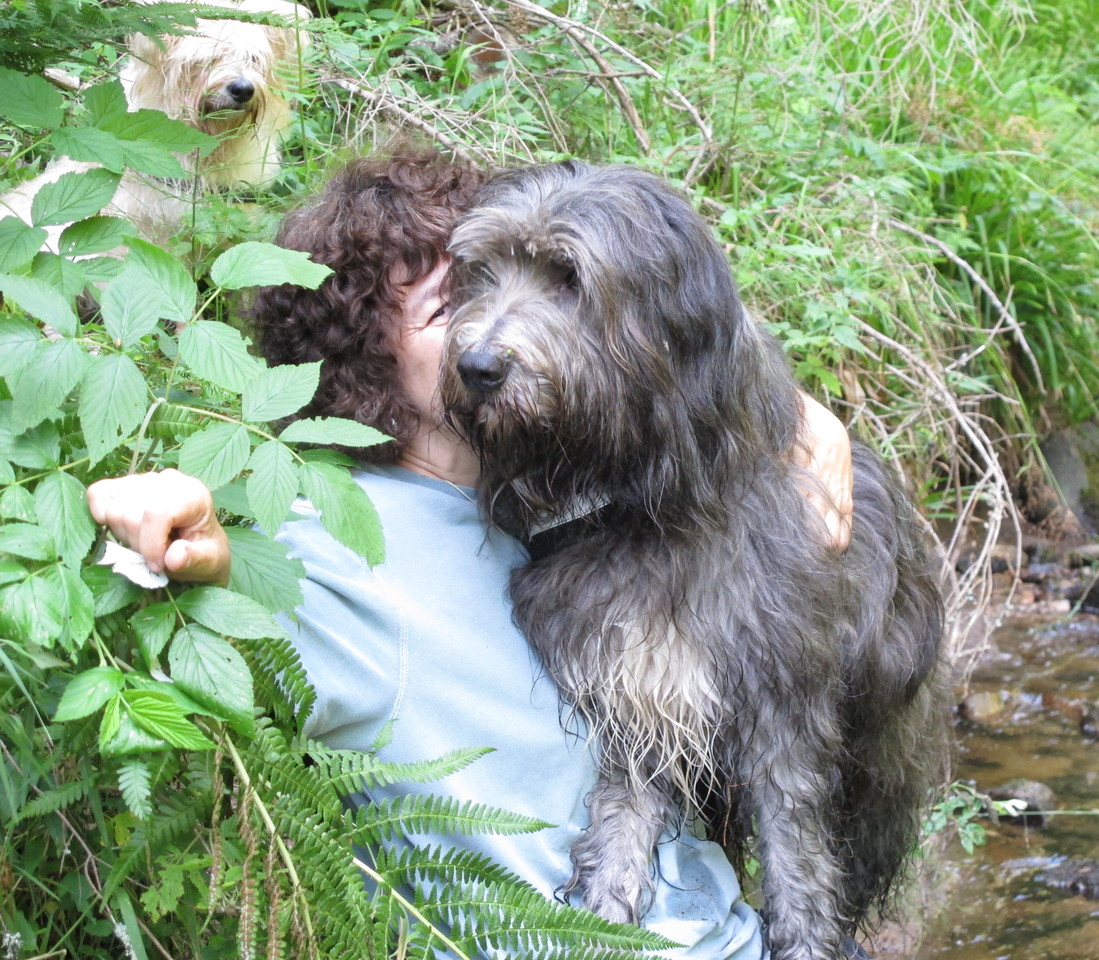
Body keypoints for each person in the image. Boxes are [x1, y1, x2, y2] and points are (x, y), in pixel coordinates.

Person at [87, 148, 855, 957]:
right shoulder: (347, 542)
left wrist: (805, 420)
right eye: (458, 299)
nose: (487, 334)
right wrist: (161, 525)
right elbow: (234, 577)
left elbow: (680, 378)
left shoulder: (544, 489)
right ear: (365, 355)